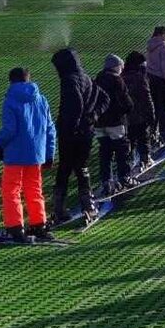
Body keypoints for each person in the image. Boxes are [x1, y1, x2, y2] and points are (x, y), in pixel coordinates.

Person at [0, 67, 57, 242]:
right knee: (34, 189)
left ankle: (15, 228)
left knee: (11, 191)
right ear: (29, 79)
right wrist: (49, 153)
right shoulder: (41, 99)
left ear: (11, 81)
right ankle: (39, 225)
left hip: (15, 155)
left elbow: (10, 129)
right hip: (36, 155)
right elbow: (50, 128)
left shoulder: (10, 100)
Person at [50, 48, 106, 226]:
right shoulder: (86, 77)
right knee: (82, 168)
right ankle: (88, 205)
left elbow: (75, 105)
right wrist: (93, 116)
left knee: (64, 169)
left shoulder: (69, 80)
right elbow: (104, 98)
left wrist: (71, 128)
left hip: (70, 133)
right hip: (86, 133)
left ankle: (59, 209)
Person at [93, 54, 136, 193]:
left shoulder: (96, 80)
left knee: (105, 152)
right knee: (121, 150)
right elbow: (127, 103)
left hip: (99, 123)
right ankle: (124, 178)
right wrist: (124, 112)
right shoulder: (117, 80)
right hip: (116, 122)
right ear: (116, 67)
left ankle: (106, 181)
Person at [123, 51, 156, 169]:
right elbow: (147, 98)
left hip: (126, 116)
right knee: (143, 137)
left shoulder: (121, 77)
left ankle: (128, 160)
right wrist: (151, 115)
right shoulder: (140, 78)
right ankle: (145, 159)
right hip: (140, 115)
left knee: (129, 139)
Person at [145, 25, 165, 144]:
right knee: (164, 107)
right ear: (161, 35)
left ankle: (152, 131)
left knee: (153, 107)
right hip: (161, 81)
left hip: (150, 79)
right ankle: (164, 132)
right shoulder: (164, 47)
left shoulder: (150, 45)